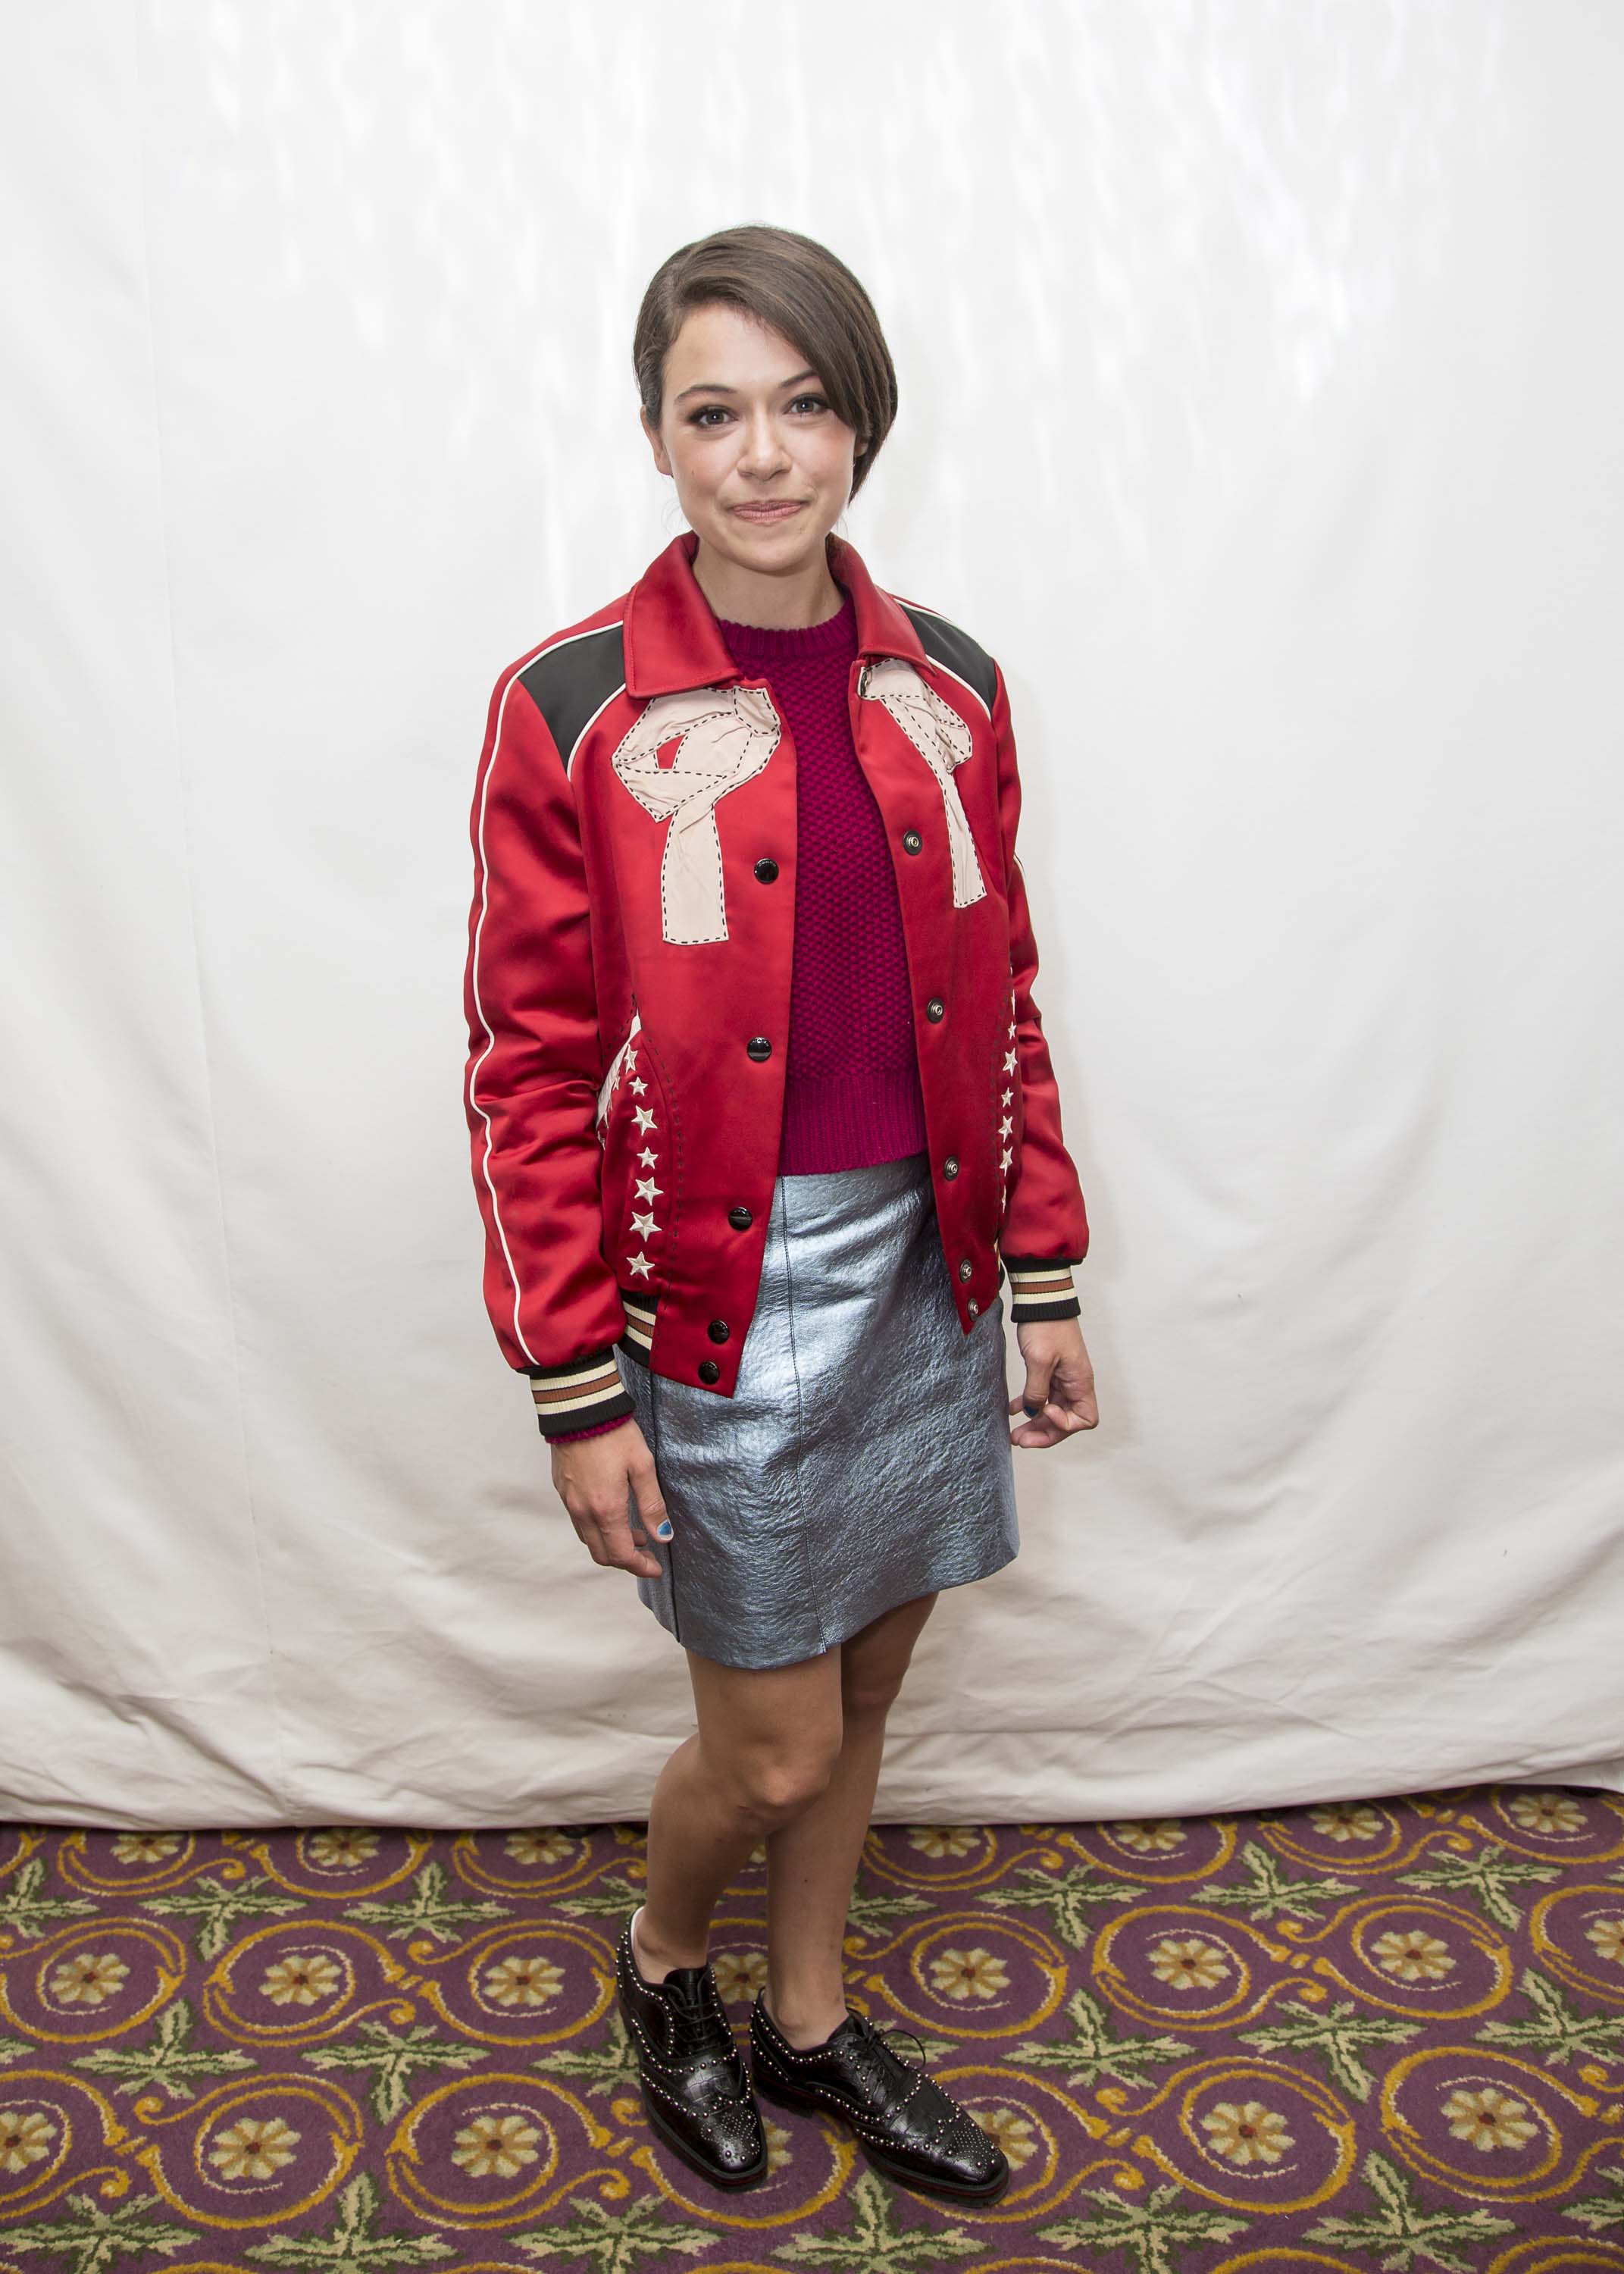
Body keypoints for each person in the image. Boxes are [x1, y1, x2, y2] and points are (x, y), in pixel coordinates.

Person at [462, 223, 1098, 2204]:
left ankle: (809, 2022)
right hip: (714, 1299)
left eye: (804, 404)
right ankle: (666, 1970)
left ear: (859, 423)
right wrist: (581, 1387)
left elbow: (1005, 1002)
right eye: (714, 410)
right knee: (775, 1746)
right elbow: (524, 1069)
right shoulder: (570, 704)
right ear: (656, 439)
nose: (763, 453)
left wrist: (1048, 1278)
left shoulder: (954, 685)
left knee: (879, 1681)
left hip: (930, 1267)